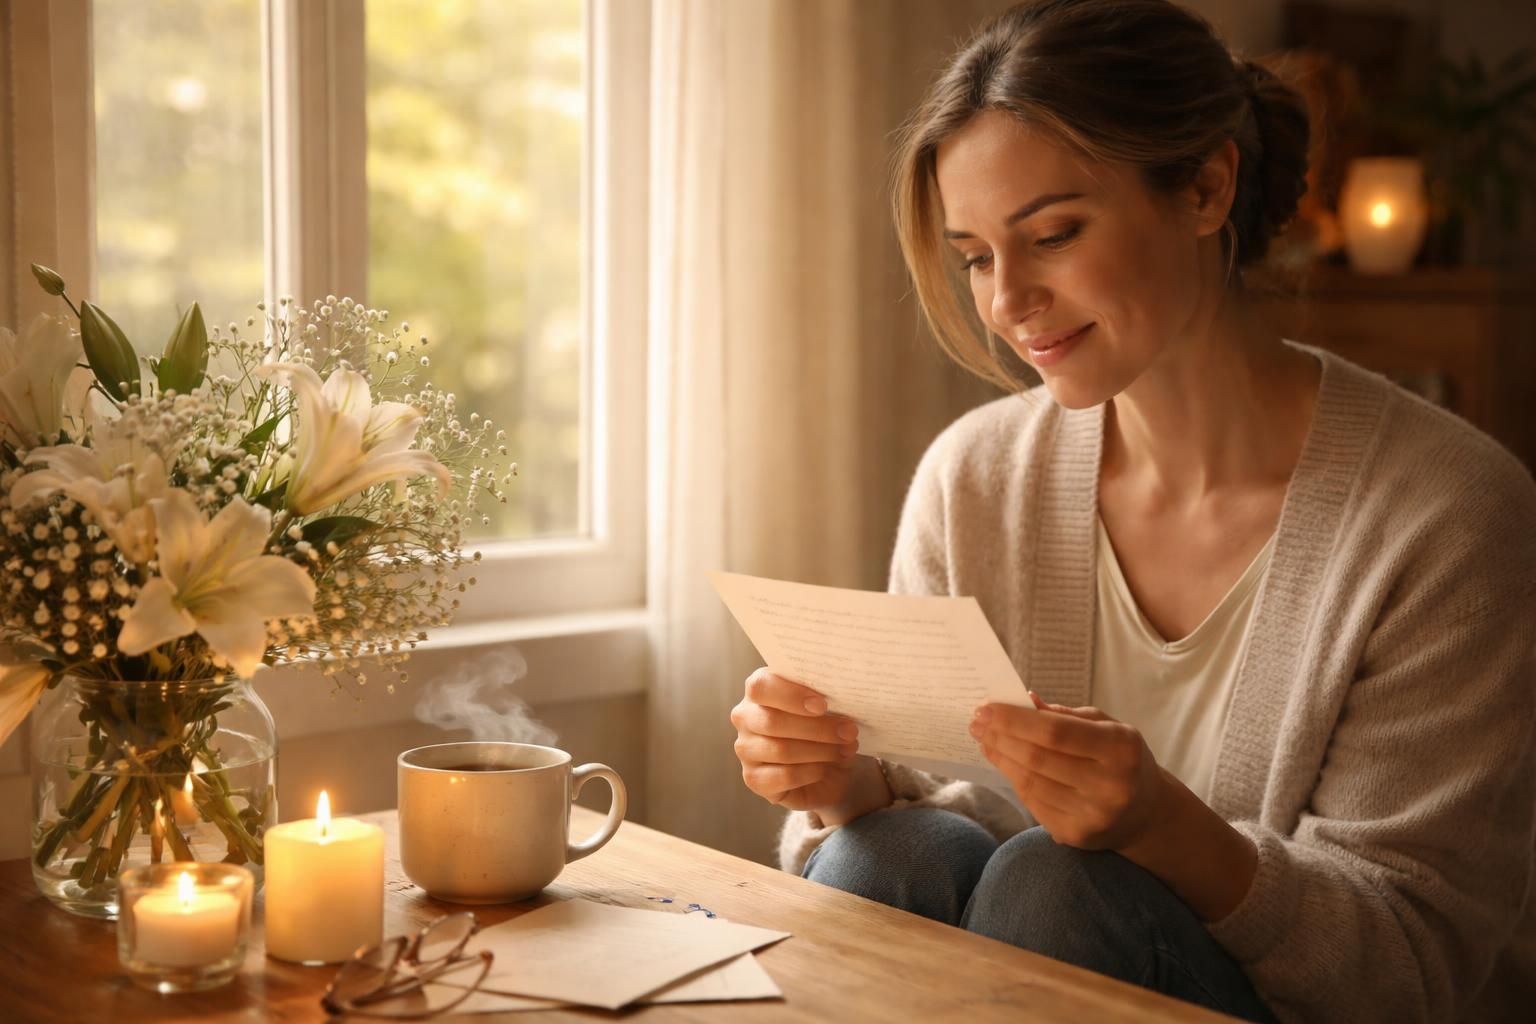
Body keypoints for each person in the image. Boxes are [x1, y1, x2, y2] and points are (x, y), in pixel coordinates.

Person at [726, 2, 1536, 1022]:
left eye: (1054, 235)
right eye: (975, 255)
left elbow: (1414, 969)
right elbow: (951, 831)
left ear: (1205, 186)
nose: (1008, 298)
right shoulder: (972, 477)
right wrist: (841, 787)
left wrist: (1165, 828)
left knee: (1058, 881)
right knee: (890, 848)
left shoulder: (1446, 515)